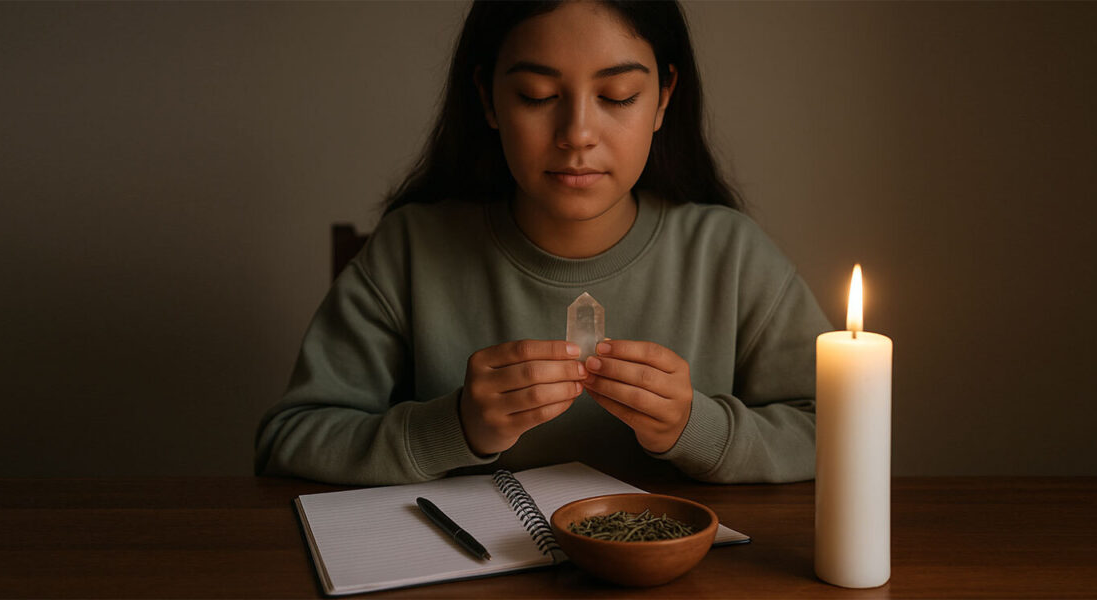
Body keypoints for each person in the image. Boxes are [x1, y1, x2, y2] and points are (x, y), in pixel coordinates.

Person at [254, 0, 831, 486]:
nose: (577, 135)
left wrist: (696, 428)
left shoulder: (730, 255)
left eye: (618, 96)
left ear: (662, 98)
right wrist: (454, 427)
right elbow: (289, 439)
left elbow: (836, 429)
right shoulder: (411, 250)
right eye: (536, 95)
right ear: (488, 99)